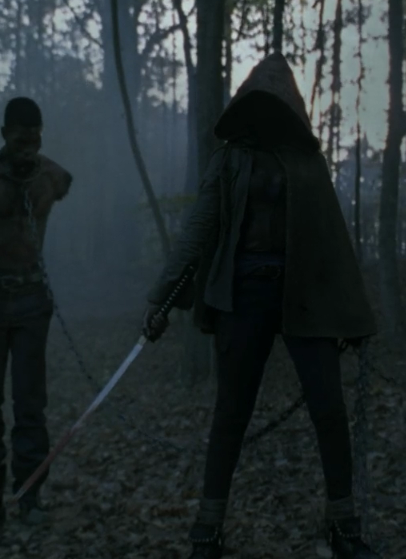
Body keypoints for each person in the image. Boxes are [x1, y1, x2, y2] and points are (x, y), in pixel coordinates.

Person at [143, 53, 380, 559]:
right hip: (243, 293)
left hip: (305, 295)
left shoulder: (307, 162)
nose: (270, 112)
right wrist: (162, 297)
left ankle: (344, 526)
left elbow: (332, 241)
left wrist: (352, 314)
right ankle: (208, 528)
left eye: (278, 103)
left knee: (329, 409)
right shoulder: (230, 159)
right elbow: (200, 228)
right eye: (261, 103)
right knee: (231, 412)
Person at [0, 97, 73, 539]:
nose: (28, 146)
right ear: (4, 134)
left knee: (30, 402)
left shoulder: (53, 177)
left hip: (31, 298)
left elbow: (61, 179)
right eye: (21, 138)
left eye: (35, 138)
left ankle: (30, 497)